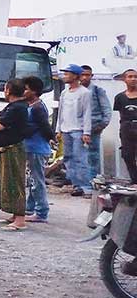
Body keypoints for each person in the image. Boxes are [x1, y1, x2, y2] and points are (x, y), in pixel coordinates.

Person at [0, 78, 30, 231]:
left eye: (5, 89)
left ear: (9, 91)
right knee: (7, 182)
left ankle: (20, 220)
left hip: (13, 150)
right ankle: (14, 214)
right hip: (6, 149)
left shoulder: (17, 108)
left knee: (15, 182)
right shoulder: (13, 106)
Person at [55, 64, 92, 197]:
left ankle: (86, 187)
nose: (65, 76)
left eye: (67, 74)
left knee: (80, 158)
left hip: (78, 130)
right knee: (68, 158)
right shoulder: (64, 93)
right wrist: (58, 129)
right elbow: (60, 112)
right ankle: (76, 185)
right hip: (66, 129)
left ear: (75, 76)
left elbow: (87, 113)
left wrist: (86, 132)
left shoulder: (84, 93)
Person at [22, 76, 55, 223]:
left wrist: (51, 139)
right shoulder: (32, 106)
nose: (23, 91)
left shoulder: (37, 108)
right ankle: (29, 208)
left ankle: (41, 212)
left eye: (26, 89)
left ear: (34, 91)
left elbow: (45, 128)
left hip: (37, 149)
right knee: (32, 181)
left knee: (37, 182)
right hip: (32, 148)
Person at [80, 65, 112, 179]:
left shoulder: (97, 90)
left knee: (93, 155)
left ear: (91, 76)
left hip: (94, 127)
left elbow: (107, 109)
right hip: (78, 128)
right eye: (82, 75)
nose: (84, 77)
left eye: (87, 75)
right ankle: (81, 181)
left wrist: (102, 125)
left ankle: (92, 180)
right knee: (79, 155)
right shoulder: (74, 90)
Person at [114, 68, 137, 183]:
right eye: (130, 77)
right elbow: (120, 114)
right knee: (127, 155)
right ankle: (134, 180)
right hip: (126, 128)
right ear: (124, 79)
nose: (133, 79)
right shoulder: (119, 97)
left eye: (135, 77)